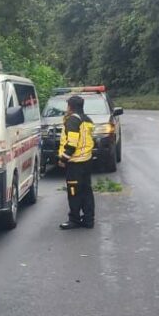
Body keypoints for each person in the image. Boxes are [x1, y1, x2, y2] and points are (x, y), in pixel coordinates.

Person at [57, 95, 95, 229]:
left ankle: (74, 219)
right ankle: (89, 220)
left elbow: (72, 144)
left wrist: (63, 159)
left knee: (74, 192)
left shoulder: (72, 120)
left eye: (67, 105)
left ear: (70, 107)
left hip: (75, 162)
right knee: (86, 191)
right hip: (86, 160)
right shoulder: (87, 120)